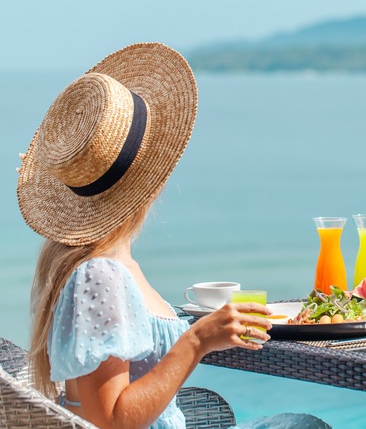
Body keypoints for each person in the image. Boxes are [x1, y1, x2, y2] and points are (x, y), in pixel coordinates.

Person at [16, 43, 330, 429]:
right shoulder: (101, 275)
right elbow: (110, 419)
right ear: (153, 181)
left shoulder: (102, 262)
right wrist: (197, 340)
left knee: (296, 422)